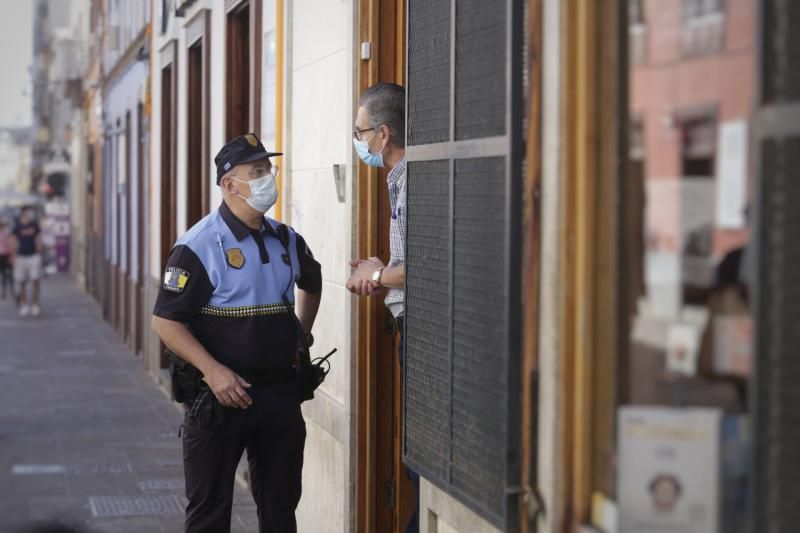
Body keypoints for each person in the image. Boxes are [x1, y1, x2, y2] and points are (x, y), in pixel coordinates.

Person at [151, 133, 322, 533]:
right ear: (229, 184)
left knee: (280, 510)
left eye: (268, 169)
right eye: (257, 171)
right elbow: (165, 321)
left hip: (279, 395)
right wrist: (212, 371)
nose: (268, 178)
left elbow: (312, 283)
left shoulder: (286, 238)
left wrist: (301, 334)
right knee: (209, 514)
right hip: (220, 399)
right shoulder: (199, 245)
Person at [347, 82, 418, 533]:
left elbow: (422, 266)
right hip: (412, 326)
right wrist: (383, 265)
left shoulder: (412, 179)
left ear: (384, 135)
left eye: (361, 131)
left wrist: (375, 276)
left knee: (418, 462)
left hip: (423, 330)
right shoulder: (399, 179)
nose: (358, 141)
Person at [12, 206, 43, 317]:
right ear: (22, 213)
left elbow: (39, 237)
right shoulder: (17, 226)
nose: (28, 214)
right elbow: (14, 240)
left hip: (34, 255)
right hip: (21, 256)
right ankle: (24, 304)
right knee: (21, 282)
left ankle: (35, 304)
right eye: (26, 213)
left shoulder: (34, 224)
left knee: (35, 280)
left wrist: (40, 250)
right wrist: (13, 256)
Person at [0, 218, 13, 299]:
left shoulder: (6, 233)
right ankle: (5, 291)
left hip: (5, 255)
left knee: (6, 274)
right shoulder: (6, 233)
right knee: (4, 274)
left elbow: (10, 244)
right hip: (3, 256)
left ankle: (9, 290)